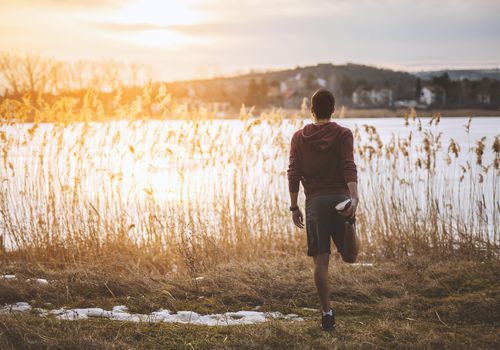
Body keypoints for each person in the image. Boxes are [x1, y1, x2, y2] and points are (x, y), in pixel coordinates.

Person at [286, 88, 359, 331]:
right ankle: (350, 223)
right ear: (334, 109)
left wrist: (294, 205)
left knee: (321, 260)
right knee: (350, 256)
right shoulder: (343, 134)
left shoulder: (298, 137)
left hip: (315, 202)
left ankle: (327, 313)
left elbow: (293, 173)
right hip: (340, 197)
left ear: (312, 110)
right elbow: (349, 165)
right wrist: (354, 197)